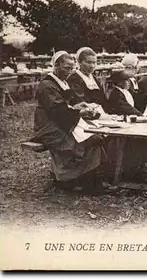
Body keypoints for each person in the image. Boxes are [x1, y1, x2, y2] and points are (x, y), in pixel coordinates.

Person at [30, 51, 109, 192]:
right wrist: (79, 111)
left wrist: (82, 105)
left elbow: (72, 102)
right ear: (56, 65)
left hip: (63, 123)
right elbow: (58, 111)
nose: (70, 71)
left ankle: (77, 178)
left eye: (72, 68)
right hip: (49, 127)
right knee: (90, 140)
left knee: (96, 137)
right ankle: (82, 181)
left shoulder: (63, 82)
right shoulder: (47, 85)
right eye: (67, 68)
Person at [67, 47, 107, 112]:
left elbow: (103, 100)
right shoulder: (74, 79)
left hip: (100, 112)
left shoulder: (95, 79)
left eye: (94, 62)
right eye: (89, 62)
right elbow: (79, 101)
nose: (92, 66)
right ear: (79, 62)